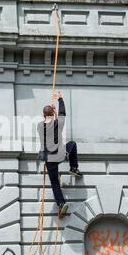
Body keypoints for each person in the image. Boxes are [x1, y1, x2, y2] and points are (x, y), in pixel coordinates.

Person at [37, 91, 83, 219]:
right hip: (60, 155)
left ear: (43, 115)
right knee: (72, 144)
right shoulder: (58, 124)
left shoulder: (40, 126)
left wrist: (52, 114)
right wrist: (60, 100)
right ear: (52, 114)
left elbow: (50, 123)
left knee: (54, 183)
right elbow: (63, 115)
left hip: (49, 159)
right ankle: (73, 168)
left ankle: (61, 203)